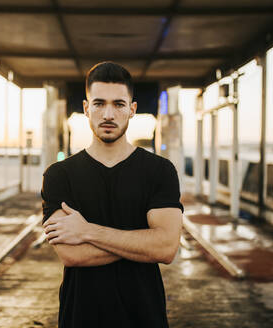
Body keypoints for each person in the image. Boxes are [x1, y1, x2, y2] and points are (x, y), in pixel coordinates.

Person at [41, 61, 184, 328]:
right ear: (86, 108)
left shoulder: (159, 171)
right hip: (81, 318)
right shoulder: (59, 175)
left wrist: (88, 232)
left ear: (132, 110)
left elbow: (165, 249)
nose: (108, 114)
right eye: (99, 103)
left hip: (144, 318)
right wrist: (143, 241)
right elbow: (72, 255)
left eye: (118, 104)